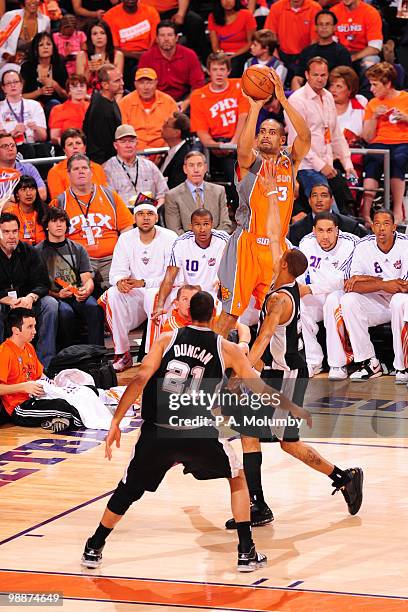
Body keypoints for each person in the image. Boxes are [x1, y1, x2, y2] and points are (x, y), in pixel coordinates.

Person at [81, 290, 304, 572]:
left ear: (187, 314)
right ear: (214, 316)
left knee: (128, 490)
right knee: (236, 477)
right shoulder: (226, 348)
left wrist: (116, 422)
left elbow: (139, 378)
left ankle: (94, 545)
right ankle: (246, 551)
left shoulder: (166, 339)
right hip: (199, 431)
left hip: (158, 431)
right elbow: (257, 385)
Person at [224, 249, 364, 528]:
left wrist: (242, 371)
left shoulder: (278, 300)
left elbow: (264, 337)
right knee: (249, 434)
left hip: (288, 376)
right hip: (279, 371)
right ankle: (259, 504)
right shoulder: (289, 287)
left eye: (280, 257)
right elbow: (272, 343)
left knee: (286, 442)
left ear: (285, 263)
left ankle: (344, 478)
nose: (275, 258)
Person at [214, 67, 311, 339]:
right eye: (262, 132)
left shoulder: (289, 162)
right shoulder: (251, 164)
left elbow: (305, 137)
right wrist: (255, 107)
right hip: (247, 243)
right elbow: (242, 150)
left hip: (277, 247)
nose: (266, 135)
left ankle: (260, 368)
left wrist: (282, 99)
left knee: (276, 309)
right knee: (230, 314)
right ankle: (207, 370)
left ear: (282, 140)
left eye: (272, 132)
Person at [100, 202, 177, 372]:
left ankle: (153, 355)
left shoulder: (169, 237)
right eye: (140, 214)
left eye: (149, 213)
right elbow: (116, 273)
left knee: (152, 295)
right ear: (134, 218)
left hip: (162, 292)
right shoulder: (126, 238)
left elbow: (172, 276)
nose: (145, 217)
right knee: (112, 294)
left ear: (156, 217)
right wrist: (121, 282)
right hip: (135, 293)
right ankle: (122, 354)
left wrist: (144, 283)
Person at [49, 153, 134, 291]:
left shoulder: (110, 195)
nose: (81, 171)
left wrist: (122, 254)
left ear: (91, 172)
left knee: (123, 292)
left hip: (112, 259)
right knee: (81, 297)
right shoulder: (60, 202)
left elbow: (127, 227)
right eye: (76, 169)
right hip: (78, 261)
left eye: (84, 168)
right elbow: (53, 237)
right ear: (68, 174)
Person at [341, 209, 408, 381]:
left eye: (386, 224)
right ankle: (369, 362)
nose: (381, 228)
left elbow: (404, 287)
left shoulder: (405, 244)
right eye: (377, 223)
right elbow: (350, 285)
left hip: (401, 302)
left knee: (399, 301)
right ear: (371, 226)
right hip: (377, 302)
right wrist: (383, 284)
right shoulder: (363, 246)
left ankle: (403, 367)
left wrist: (367, 280)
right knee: (348, 300)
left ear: (394, 227)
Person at [285, 57, 357, 214]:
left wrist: (347, 163)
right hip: (306, 166)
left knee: (345, 208)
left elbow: (335, 133)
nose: (319, 79)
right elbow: (298, 141)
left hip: (327, 164)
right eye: (315, 75)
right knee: (328, 212)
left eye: (323, 75)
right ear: (307, 75)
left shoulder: (328, 96)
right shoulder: (297, 101)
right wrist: (320, 166)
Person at [0, 308, 83, 432]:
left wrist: (55, 383)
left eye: (34, 326)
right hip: (19, 407)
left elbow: (40, 374)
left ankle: (54, 418)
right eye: (30, 327)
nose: (34, 331)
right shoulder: (4, 352)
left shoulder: (28, 347)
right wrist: (23, 387)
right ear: (16, 330)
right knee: (65, 407)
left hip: (36, 397)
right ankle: (60, 418)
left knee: (78, 394)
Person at [298, 212, 358, 379]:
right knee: (299, 304)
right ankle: (313, 361)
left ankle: (338, 364)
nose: (325, 236)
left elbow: (343, 280)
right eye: (321, 230)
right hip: (316, 294)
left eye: (330, 230)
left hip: (342, 294)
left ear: (337, 230)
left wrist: (309, 289)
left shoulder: (351, 243)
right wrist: (300, 288)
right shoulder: (306, 242)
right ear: (314, 230)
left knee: (332, 300)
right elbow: (301, 274)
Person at [36, 207, 105, 347]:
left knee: (94, 307)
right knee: (65, 313)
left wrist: (86, 290)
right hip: (55, 296)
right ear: (46, 226)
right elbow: (38, 285)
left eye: (62, 221)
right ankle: (68, 357)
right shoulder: (38, 251)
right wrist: (58, 294)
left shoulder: (77, 248)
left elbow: (87, 278)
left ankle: (98, 355)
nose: (59, 224)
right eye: (54, 221)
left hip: (76, 294)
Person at [190, 52, 249, 204]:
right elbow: (202, 133)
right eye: (215, 69)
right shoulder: (198, 96)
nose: (219, 73)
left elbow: (244, 117)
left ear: (228, 71)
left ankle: (244, 209)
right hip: (213, 146)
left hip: (238, 142)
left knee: (236, 168)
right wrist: (214, 145)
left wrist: (234, 144)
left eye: (222, 69)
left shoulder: (239, 87)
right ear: (209, 71)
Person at [0, 212, 58, 368]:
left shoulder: (29, 251)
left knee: (50, 304)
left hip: (26, 303)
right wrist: (6, 300)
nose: (11, 236)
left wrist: (30, 298)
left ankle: (44, 366)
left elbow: (43, 283)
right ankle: (3, 365)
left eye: (14, 231)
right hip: (4, 303)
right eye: (6, 232)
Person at [153, 208, 230, 322]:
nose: (202, 229)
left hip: (216, 292)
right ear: (191, 226)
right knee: (158, 304)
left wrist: (223, 279)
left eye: (206, 224)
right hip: (190, 292)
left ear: (212, 225)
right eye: (197, 224)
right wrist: (160, 305)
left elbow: (234, 266)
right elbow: (169, 277)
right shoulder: (181, 242)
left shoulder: (223, 239)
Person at [361, 62, 408, 226]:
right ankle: (365, 212)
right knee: (372, 161)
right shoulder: (372, 103)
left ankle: (397, 210)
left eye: (375, 84)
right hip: (378, 143)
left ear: (387, 83)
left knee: (398, 159)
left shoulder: (405, 99)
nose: (371, 89)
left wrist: (406, 118)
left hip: (402, 142)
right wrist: (374, 117)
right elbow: (366, 137)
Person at [138, 20, 205, 113]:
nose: (166, 39)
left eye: (170, 35)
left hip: (184, 98)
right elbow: (142, 86)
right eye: (162, 35)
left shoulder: (189, 55)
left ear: (177, 38)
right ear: (156, 39)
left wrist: (186, 102)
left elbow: (198, 86)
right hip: (156, 100)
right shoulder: (147, 57)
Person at [164, 151, 232, 235]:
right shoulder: (172, 196)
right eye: (191, 165)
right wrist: (197, 243)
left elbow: (226, 224)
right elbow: (174, 230)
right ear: (185, 169)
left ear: (205, 168)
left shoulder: (219, 191)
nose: (196, 170)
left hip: (216, 244)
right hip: (186, 245)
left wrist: (212, 241)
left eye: (199, 165)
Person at [103, 124, 168, 207]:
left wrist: (155, 210)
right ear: (115, 145)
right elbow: (108, 201)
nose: (128, 145)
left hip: (149, 215)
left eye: (131, 141)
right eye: (123, 142)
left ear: (136, 143)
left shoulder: (149, 166)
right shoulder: (107, 169)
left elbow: (163, 194)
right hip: (123, 216)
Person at [103, 0, 160, 91]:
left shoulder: (151, 12)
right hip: (125, 56)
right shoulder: (110, 16)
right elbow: (114, 48)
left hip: (149, 54)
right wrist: (136, 55)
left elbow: (156, 41)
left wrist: (146, 55)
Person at [119, 67, 178, 151]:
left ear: (156, 83)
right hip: (134, 152)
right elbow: (123, 133)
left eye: (149, 83)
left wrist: (166, 151)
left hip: (164, 151)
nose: (146, 87)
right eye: (141, 83)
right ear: (135, 84)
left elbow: (174, 132)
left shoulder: (169, 102)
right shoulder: (125, 103)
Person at [288, 184, 368, 246]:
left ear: (331, 200)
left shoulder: (350, 226)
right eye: (314, 196)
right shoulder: (296, 229)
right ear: (309, 201)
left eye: (324, 196)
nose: (319, 200)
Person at [291, 10, 352, 90]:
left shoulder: (342, 52)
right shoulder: (307, 51)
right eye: (321, 24)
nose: (324, 27)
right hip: (308, 96)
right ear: (316, 27)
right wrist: (299, 99)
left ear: (334, 28)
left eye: (327, 24)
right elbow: (297, 79)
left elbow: (345, 82)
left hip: (332, 96)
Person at [264, 0, 321, 78]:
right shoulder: (276, 7)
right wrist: (276, 60)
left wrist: (306, 60)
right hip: (282, 55)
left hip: (305, 55)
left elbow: (315, 41)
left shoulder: (315, 8)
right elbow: (269, 36)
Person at [47, 128, 107, 199]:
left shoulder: (97, 168)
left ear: (85, 148)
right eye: (70, 144)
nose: (75, 147)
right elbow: (58, 202)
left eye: (78, 143)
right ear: (64, 150)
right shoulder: (55, 172)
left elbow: (104, 195)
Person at [83, 64, 123, 165]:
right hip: (103, 164)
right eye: (117, 81)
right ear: (105, 85)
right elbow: (101, 145)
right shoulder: (102, 110)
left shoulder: (103, 98)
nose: (122, 83)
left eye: (121, 79)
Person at [331, 0, 383, 78]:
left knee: (371, 61)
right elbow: (331, 41)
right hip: (341, 53)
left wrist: (352, 58)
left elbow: (375, 48)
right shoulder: (334, 11)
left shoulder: (371, 12)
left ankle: (365, 90)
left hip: (363, 54)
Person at [20, 32, 68, 114]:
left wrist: (54, 84)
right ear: (35, 49)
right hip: (31, 105)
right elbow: (20, 96)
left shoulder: (59, 66)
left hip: (55, 106)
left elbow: (66, 95)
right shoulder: (27, 67)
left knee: (54, 104)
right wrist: (39, 92)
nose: (45, 47)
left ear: (53, 48)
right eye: (41, 45)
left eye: (48, 44)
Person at [208, 0, 257, 78]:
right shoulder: (213, 17)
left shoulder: (246, 15)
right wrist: (221, 55)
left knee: (233, 65)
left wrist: (232, 56)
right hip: (223, 54)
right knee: (217, 65)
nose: (227, 2)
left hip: (242, 53)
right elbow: (215, 45)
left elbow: (250, 42)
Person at [0, 69, 47, 145]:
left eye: (15, 82)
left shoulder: (35, 105)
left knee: (43, 149)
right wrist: (13, 132)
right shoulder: (1, 108)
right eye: (8, 83)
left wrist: (36, 129)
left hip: (33, 145)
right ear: (3, 88)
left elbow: (43, 137)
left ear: (21, 84)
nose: (13, 85)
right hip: (10, 147)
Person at [0, 0, 50, 70]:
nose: (33, 1)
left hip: (34, 65)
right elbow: (0, 44)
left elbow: (45, 46)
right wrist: (9, 57)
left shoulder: (45, 21)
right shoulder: (10, 17)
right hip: (10, 64)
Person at [75, 19, 124, 89]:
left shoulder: (118, 55)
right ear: (90, 37)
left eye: (102, 33)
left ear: (108, 36)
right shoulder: (81, 55)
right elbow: (79, 86)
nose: (99, 37)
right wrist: (89, 70)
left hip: (109, 94)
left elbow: (118, 84)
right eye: (95, 34)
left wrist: (107, 69)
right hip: (88, 95)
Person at [0, 132, 46, 201]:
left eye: (12, 145)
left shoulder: (29, 168)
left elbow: (43, 194)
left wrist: (13, 198)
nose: (10, 148)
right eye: (5, 146)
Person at [5, 175, 46, 245]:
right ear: (17, 194)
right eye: (23, 189)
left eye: (32, 189)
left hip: (43, 253)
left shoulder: (46, 212)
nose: (28, 193)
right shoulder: (9, 214)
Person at [48, 73, 89, 145]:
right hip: (67, 148)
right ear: (69, 91)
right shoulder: (58, 110)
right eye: (75, 87)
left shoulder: (92, 107)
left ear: (86, 89)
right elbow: (54, 137)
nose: (79, 89)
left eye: (82, 86)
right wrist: (71, 144)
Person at [160, 112, 192, 190]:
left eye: (166, 125)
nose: (162, 127)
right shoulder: (169, 153)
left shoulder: (185, 157)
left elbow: (179, 186)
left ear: (176, 133)